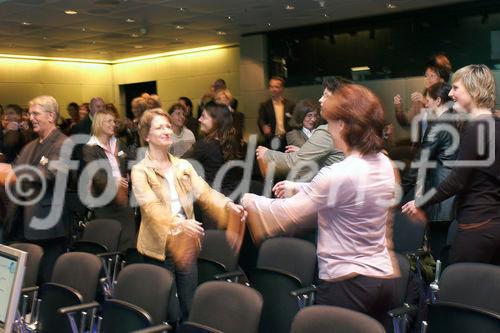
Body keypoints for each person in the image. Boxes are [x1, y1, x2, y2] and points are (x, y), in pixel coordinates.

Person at [242, 84, 398, 325]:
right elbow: (350, 197)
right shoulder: (384, 163)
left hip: (347, 283)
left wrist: (249, 200)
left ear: (343, 125)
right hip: (382, 279)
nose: (327, 129)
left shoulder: (338, 172)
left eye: (330, 122)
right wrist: (299, 187)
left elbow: (287, 215)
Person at [131, 108, 246, 319]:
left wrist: (228, 205)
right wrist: (178, 223)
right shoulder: (140, 170)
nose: (167, 130)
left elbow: (205, 192)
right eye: (160, 127)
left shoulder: (182, 165)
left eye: (167, 126)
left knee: (189, 304)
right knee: (168, 310)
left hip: (186, 243)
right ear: (147, 135)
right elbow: (151, 207)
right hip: (158, 247)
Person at [403, 64, 500, 265]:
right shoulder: (493, 124)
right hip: (491, 222)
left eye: (456, 88)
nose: (451, 93)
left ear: (473, 90)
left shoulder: (478, 127)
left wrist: (419, 202)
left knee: (458, 288)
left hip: (477, 225)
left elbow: (457, 180)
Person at [0, 95, 69, 283]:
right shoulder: (30, 145)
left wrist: (11, 172)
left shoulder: (63, 143)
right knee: (21, 283)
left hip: (47, 229)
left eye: (36, 114)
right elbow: (15, 169)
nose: (30, 118)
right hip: (21, 224)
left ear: (51, 116)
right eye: (30, 114)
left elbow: (48, 174)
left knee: (44, 282)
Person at [256, 78, 344, 181]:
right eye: (309, 116)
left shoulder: (327, 131)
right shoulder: (345, 127)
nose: (320, 99)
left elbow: (296, 161)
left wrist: (266, 153)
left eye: (325, 95)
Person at [401, 82, 459, 223]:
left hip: (440, 198)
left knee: (438, 242)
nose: (426, 105)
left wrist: (400, 191)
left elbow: (420, 163)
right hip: (455, 196)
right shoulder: (458, 120)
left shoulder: (437, 126)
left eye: (427, 101)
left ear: (438, 101)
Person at [82, 110, 136, 251]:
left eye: (114, 121)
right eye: (109, 121)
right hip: (104, 204)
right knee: (109, 245)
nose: (114, 124)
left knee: (128, 244)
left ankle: (127, 271)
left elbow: (132, 162)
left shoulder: (118, 144)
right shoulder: (90, 148)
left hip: (124, 201)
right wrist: (115, 182)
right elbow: (97, 177)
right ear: (100, 124)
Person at [183, 102, 243, 197]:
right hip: (232, 197)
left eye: (203, 116)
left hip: (212, 202)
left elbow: (180, 165)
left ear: (216, 120)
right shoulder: (233, 143)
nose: (199, 119)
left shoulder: (204, 145)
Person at [394, 55, 452, 144]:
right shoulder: (420, 97)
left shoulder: (448, 96)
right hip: (422, 147)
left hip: (439, 147)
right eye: (426, 76)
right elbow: (406, 122)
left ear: (442, 80)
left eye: (432, 76)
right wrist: (399, 109)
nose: (427, 79)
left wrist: (425, 102)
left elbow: (445, 121)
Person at [257, 76, 295, 151]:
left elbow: (295, 122)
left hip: (287, 140)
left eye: (276, 87)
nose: (273, 89)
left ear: (282, 89)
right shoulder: (264, 105)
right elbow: (261, 120)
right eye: (271, 87)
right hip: (272, 140)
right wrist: (263, 126)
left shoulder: (290, 105)